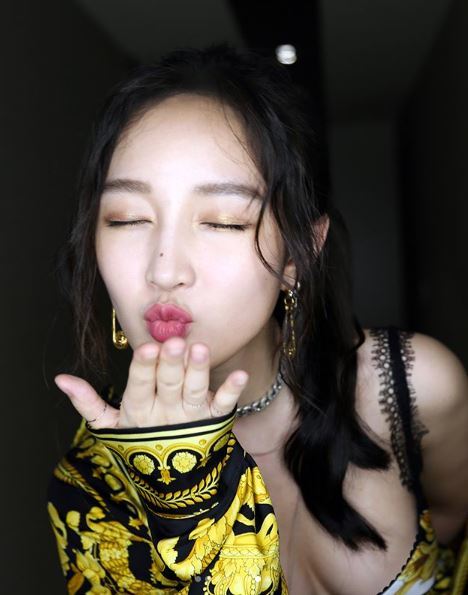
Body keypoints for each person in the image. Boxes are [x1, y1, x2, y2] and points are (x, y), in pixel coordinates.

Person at [47, 45, 468, 594]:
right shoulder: (88, 488)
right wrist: (179, 499)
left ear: (298, 255)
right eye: (127, 219)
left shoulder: (414, 390)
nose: (164, 270)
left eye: (223, 222)